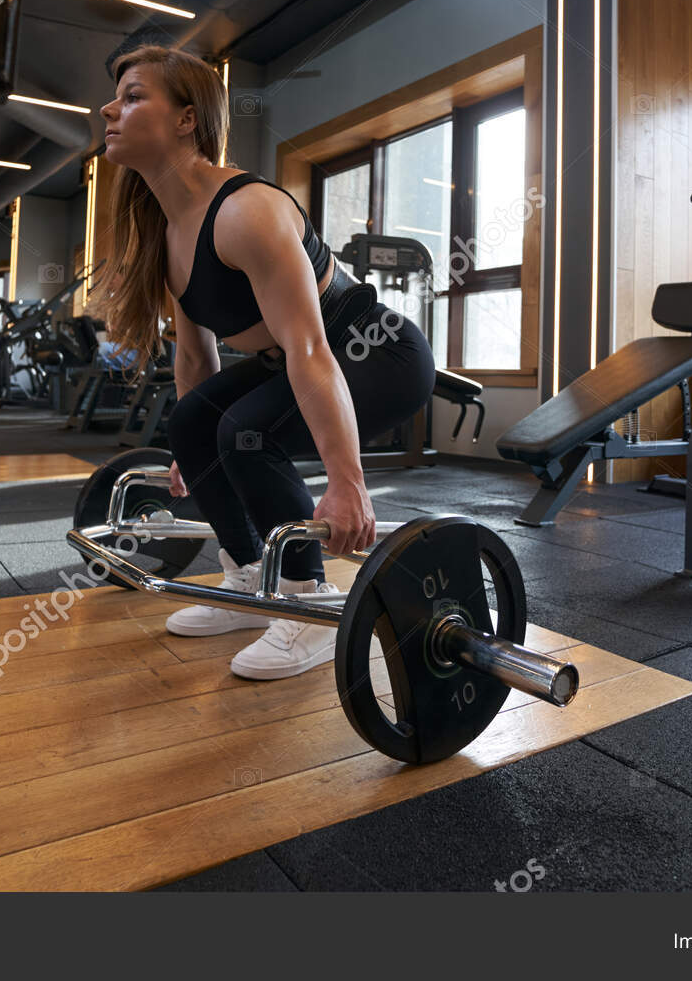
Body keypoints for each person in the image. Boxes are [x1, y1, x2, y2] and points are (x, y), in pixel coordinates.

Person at [94, 45, 436, 680]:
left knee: (246, 432)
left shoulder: (246, 211)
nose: (110, 109)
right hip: (300, 359)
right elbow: (195, 356)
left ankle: (308, 602)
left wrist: (347, 482)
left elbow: (310, 348)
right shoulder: (169, 233)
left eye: (133, 96)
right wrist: (192, 450)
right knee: (197, 423)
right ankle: (253, 579)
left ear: (186, 120)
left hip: (376, 350)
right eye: (116, 98)